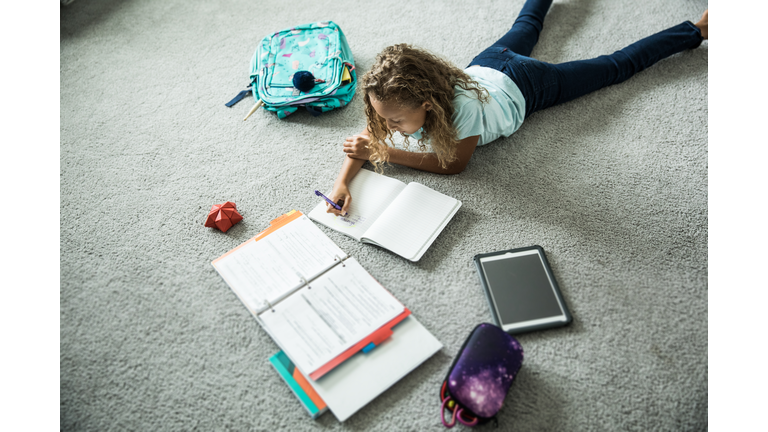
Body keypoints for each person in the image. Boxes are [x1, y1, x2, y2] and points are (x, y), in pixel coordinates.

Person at [325, 0, 708, 216]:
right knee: (527, 22)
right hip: (491, 61)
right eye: (381, 116)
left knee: (614, 67)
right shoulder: (394, 99)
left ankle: (697, 29)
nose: (386, 125)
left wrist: (387, 154)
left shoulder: (462, 110)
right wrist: (343, 181)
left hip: (529, 84)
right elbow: (367, 138)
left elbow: (454, 165)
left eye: (394, 120)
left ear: (427, 103)